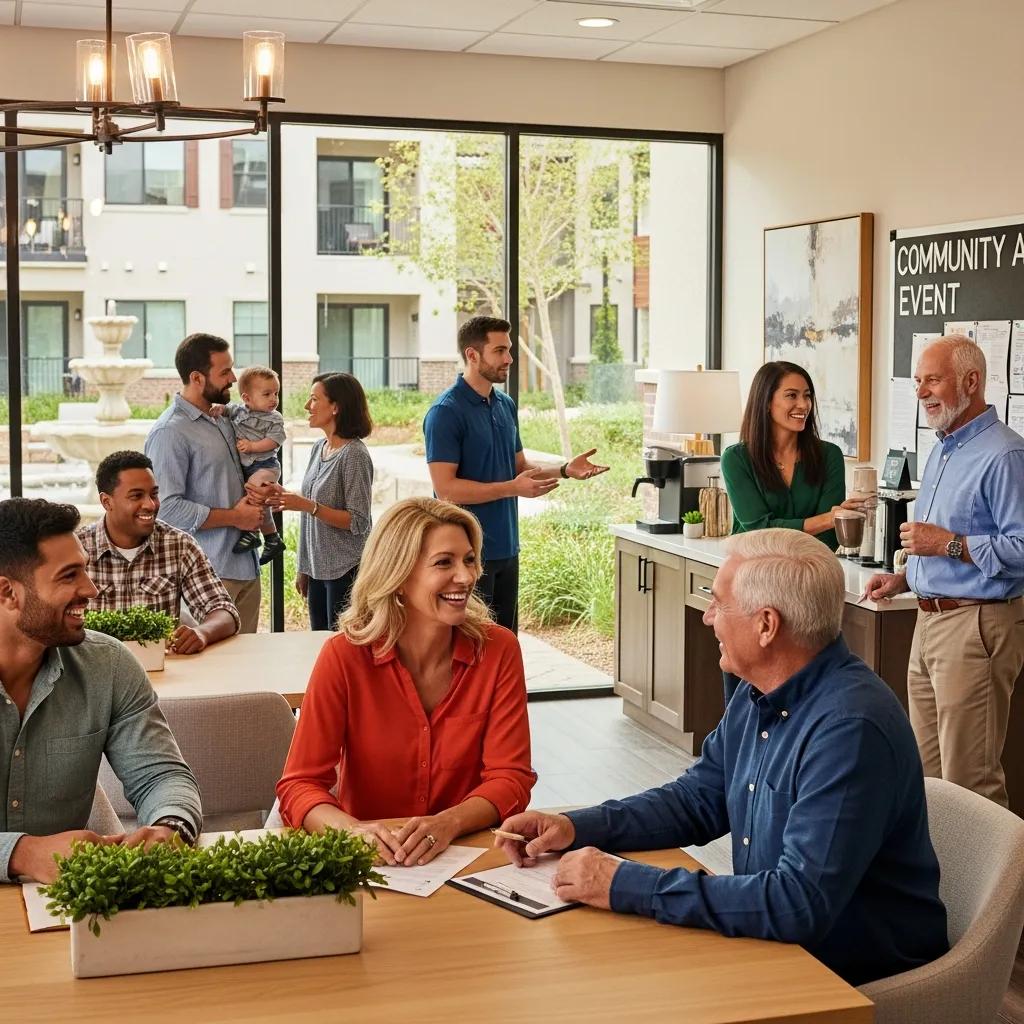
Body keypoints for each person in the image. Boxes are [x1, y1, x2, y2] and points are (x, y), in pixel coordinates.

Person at [497, 529, 949, 988]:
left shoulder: (850, 730)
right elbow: (698, 800)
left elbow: (798, 904)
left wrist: (624, 883)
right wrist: (576, 827)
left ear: (766, 625)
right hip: (779, 947)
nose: (708, 617)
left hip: (847, 977)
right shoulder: (760, 691)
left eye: (718, 603)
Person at [276, 496, 536, 867]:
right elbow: (299, 785)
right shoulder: (344, 657)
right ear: (398, 577)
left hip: (470, 858)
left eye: (469, 559)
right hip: (373, 864)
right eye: (443, 563)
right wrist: (350, 831)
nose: (466, 576)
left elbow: (511, 777)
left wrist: (449, 822)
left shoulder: (498, 650)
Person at [0, 498, 202, 884]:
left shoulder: (107, 665)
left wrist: (169, 827)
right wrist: (21, 853)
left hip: (66, 916)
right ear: (8, 592)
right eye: (68, 576)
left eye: (86, 571)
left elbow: (161, 776)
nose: (91, 589)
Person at [863, 335, 1024, 807]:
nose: (921, 392)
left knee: (971, 785)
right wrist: (905, 577)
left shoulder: (1006, 455)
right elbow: (936, 546)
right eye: (917, 381)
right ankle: (937, 883)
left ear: (971, 381)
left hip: (976, 626)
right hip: (928, 622)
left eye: (932, 380)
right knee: (928, 781)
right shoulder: (942, 450)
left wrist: (947, 544)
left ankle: (994, 884)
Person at [423, 315, 608, 633]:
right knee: (470, 649)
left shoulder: (504, 405)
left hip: (507, 549)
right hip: (465, 556)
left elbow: (519, 469)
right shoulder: (445, 413)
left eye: (508, 349)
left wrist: (564, 470)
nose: (509, 358)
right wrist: (511, 488)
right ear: (472, 354)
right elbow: (446, 490)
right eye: (500, 350)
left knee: (505, 644)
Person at [719, 360, 862, 704]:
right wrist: (829, 517)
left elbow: (828, 541)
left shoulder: (828, 456)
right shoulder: (737, 458)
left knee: (801, 689)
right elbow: (757, 529)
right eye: (792, 395)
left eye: (808, 396)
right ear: (767, 401)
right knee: (743, 691)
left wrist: (828, 522)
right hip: (749, 587)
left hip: (805, 591)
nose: (803, 405)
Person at [145, 333, 262, 632]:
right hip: (207, 577)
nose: (234, 378)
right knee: (212, 672)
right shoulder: (169, 433)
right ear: (197, 378)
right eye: (224, 372)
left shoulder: (222, 419)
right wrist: (236, 517)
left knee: (247, 671)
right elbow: (167, 509)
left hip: (246, 567)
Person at [77, 450, 240, 655]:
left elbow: (224, 610)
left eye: (154, 494)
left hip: (164, 673)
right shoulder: (78, 550)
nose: (150, 504)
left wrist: (202, 633)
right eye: (137, 496)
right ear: (106, 502)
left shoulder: (179, 545)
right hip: (95, 672)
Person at [261, 373, 374, 631]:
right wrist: (305, 568)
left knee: (341, 648)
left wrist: (306, 505)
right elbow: (308, 511)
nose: (306, 407)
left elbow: (358, 521)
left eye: (314, 399)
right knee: (318, 645)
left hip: (346, 571)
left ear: (336, 407)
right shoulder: (319, 448)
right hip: (318, 570)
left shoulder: (354, 455)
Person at [221, 365, 288, 565]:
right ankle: (272, 539)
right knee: (260, 501)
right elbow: (226, 409)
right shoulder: (238, 411)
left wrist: (252, 446)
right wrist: (219, 408)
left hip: (266, 466)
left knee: (253, 491)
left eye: (276, 393)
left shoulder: (274, 418)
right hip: (248, 468)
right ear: (247, 398)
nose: (273, 399)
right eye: (267, 394)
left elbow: (274, 441)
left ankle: (251, 534)